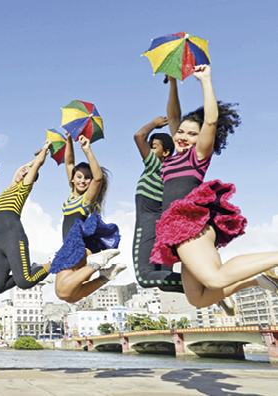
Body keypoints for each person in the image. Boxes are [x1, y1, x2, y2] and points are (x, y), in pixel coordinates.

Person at [150, 66, 278, 308]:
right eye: (180, 132)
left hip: (188, 224)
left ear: (202, 139)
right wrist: (174, 84)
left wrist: (205, 80)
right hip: (177, 229)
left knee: (215, 278)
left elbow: (210, 120)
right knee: (198, 298)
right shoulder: (172, 158)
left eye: (191, 133)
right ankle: (257, 280)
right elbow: (174, 116)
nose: (182, 136)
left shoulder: (196, 156)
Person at [50, 134, 123, 303]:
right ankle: (105, 276)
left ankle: (95, 264)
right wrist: (69, 138)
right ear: (73, 179)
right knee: (71, 297)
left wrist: (87, 150)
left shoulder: (86, 200)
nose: (83, 180)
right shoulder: (72, 195)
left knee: (62, 292)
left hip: (75, 246)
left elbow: (98, 178)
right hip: (76, 247)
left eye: (87, 178)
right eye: (79, 176)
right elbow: (69, 163)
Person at [0, 141, 52, 294]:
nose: (22, 173)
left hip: (14, 238)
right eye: (23, 170)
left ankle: (52, 264)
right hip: (0, 243)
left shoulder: (23, 189)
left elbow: (38, 165)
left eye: (27, 173)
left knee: (25, 281)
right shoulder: (10, 188)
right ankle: (33, 268)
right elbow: (21, 168)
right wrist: (37, 156)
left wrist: (46, 148)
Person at [132, 118, 183, 292]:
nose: (150, 150)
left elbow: (139, 136)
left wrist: (154, 123)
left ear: (166, 152)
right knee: (164, 282)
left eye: (154, 147)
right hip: (166, 229)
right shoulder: (172, 173)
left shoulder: (155, 165)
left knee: (145, 276)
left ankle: (205, 282)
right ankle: (212, 285)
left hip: (149, 224)